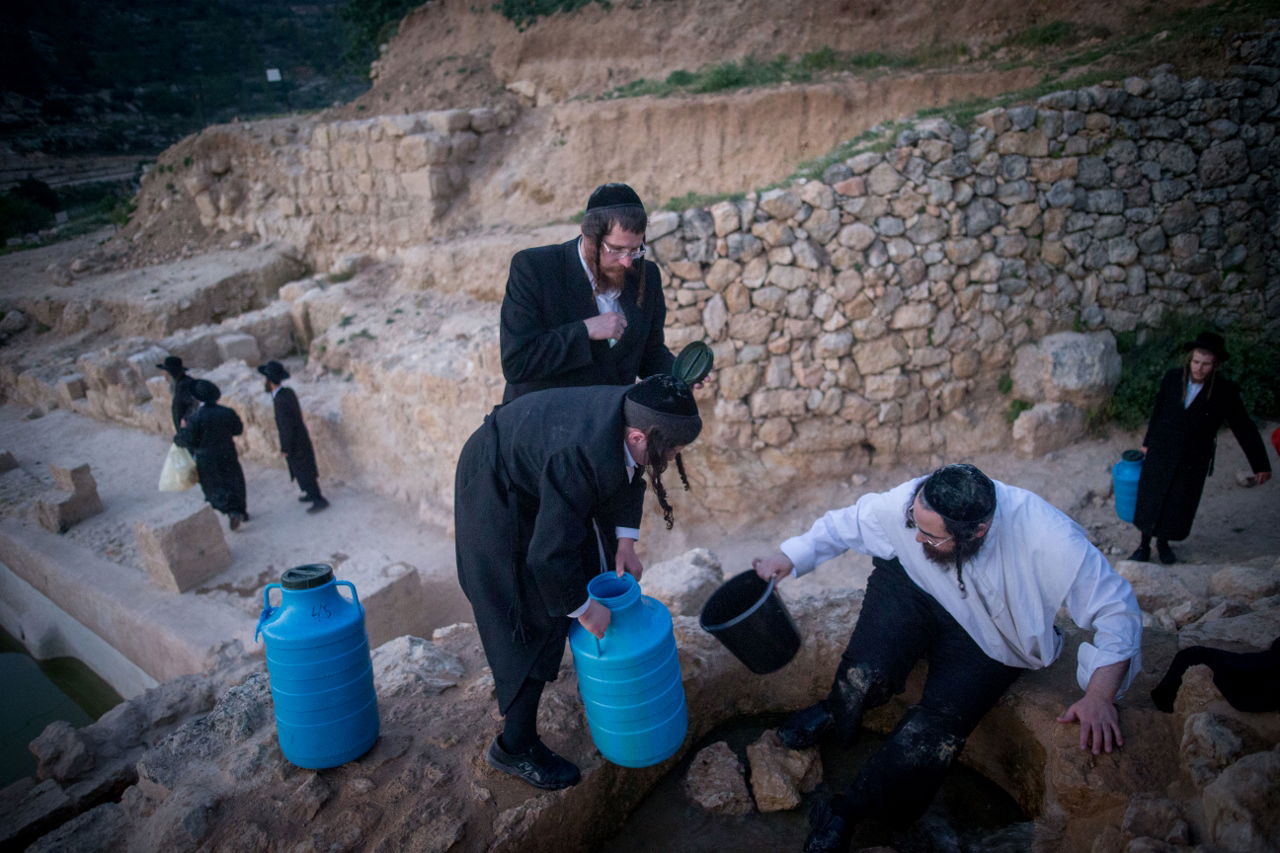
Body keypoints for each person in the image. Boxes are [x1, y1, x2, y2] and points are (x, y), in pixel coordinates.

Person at [751, 464, 1142, 852]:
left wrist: (1099, 696)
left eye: (930, 536)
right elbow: (845, 524)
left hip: (994, 634)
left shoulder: (1049, 537)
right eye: (913, 524)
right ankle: (837, 713)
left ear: (977, 531)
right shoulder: (913, 503)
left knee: (933, 733)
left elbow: (1116, 609)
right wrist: (789, 556)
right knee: (868, 670)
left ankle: (850, 812)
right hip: (916, 587)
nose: (916, 535)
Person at [454, 374, 701, 790]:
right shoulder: (579, 453)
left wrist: (626, 540)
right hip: (495, 486)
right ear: (640, 435)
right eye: (671, 449)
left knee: (580, 567)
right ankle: (514, 748)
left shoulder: (629, 412)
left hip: (539, 470)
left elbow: (627, 470)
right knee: (526, 612)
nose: (673, 456)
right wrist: (585, 611)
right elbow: (547, 557)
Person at [499, 182, 675, 403]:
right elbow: (517, 362)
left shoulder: (646, 275)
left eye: (635, 249)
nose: (627, 261)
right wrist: (585, 331)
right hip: (543, 423)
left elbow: (649, 352)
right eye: (616, 249)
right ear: (588, 236)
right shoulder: (535, 268)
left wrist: (680, 374)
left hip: (607, 426)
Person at [1129, 331, 1271, 565]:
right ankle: (1143, 545)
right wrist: (1147, 442)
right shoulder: (1172, 378)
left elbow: (1243, 427)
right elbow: (1159, 411)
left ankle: (1163, 543)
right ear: (1190, 359)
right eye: (1196, 362)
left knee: (1177, 499)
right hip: (1162, 448)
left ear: (1215, 364)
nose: (1199, 368)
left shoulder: (1225, 391)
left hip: (1193, 456)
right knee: (1151, 496)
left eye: (1206, 364)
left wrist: (1260, 464)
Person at [175, 379, 249, 531]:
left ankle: (230, 510)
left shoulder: (195, 419)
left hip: (207, 458)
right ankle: (240, 509)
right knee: (234, 481)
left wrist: (182, 431)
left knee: (214, 487)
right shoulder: (226, 412)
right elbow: (238, 430)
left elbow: (188, 440)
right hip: (227, 452)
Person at [257, 360, 329, 513]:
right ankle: (311, 494)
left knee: (304, 471)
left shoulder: (280, 400)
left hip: (295, 442)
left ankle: (318, 499)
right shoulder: (287, 392)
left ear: (270, 381)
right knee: (303, 469)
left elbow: (286, 427)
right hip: (300, 437)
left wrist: (285, 447)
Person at [156, 355, 198, 431]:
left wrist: (185, 419)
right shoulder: (176, 384)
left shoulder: (184, 385)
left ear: (171, 372)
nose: (164, 374)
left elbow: (194, 404)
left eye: (165, 371)